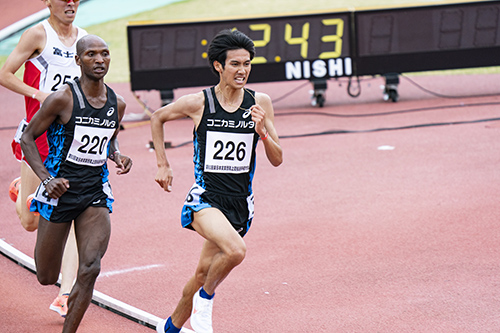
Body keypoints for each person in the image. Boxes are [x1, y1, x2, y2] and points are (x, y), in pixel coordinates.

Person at [152, 29, 283, 333]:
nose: (243, 71)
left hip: (240, 205)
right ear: (218, 66)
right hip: (205, 199)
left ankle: (169, 328)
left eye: (247, 64)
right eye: (235, 64)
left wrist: (263, 131)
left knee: (201, 273)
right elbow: (157, 117)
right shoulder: (199, 103)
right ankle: (205, 301)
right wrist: (163, 164)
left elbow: (277, 158)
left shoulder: (259, 102)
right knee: (236, 252)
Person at [20, 34, 132, 333]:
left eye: (105, 54)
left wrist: (116, 154)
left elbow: (108, 138)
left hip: (95, 192)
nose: (99, 60)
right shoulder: (62, 98)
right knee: (46, 275)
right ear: (78, 60)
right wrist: (47, 178)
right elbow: (27, 138)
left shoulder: (116, 104)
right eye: (92, 54)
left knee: (90, 267)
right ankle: (29, 193)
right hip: (59, 192)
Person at [0, 0, 85, 317]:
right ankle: (24, 188)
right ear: (48, 2)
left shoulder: (85, 39)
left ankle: (67, 293)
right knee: (29, 221)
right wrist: (40, 95)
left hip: (70, 140)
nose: (71, 2)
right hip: (37, 137)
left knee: (75, 211)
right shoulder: (37, 35)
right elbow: (5, 74)